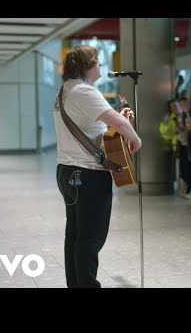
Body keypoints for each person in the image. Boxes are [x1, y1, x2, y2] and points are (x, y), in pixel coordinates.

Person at [54, 45, 142, 288]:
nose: (101, 65)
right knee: (91, 237)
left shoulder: (66, 91)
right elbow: (116, 124)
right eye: (97, 61)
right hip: (88, 174)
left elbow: (94, 126)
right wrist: (136, 138)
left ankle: (76, 284)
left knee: (75, 233)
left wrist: (120, 120)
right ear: (86, 66)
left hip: (67, 171)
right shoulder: (84, 91)